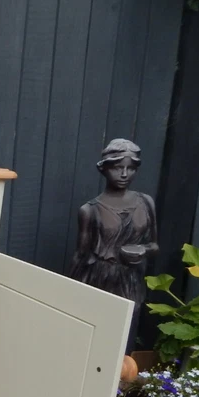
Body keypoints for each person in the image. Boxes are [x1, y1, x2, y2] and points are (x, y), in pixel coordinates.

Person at [69, 138, 158, 351]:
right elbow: (81, 255)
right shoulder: (89, 210)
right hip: (101, 277)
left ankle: (120, 381)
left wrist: (143, 250)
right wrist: (70, 292)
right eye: (118, 168)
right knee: (99, 333)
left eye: (131, 168)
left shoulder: (146, 203)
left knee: (127, 331)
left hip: (131, 278)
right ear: (105, 169)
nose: (125, 174)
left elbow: (155, 245)